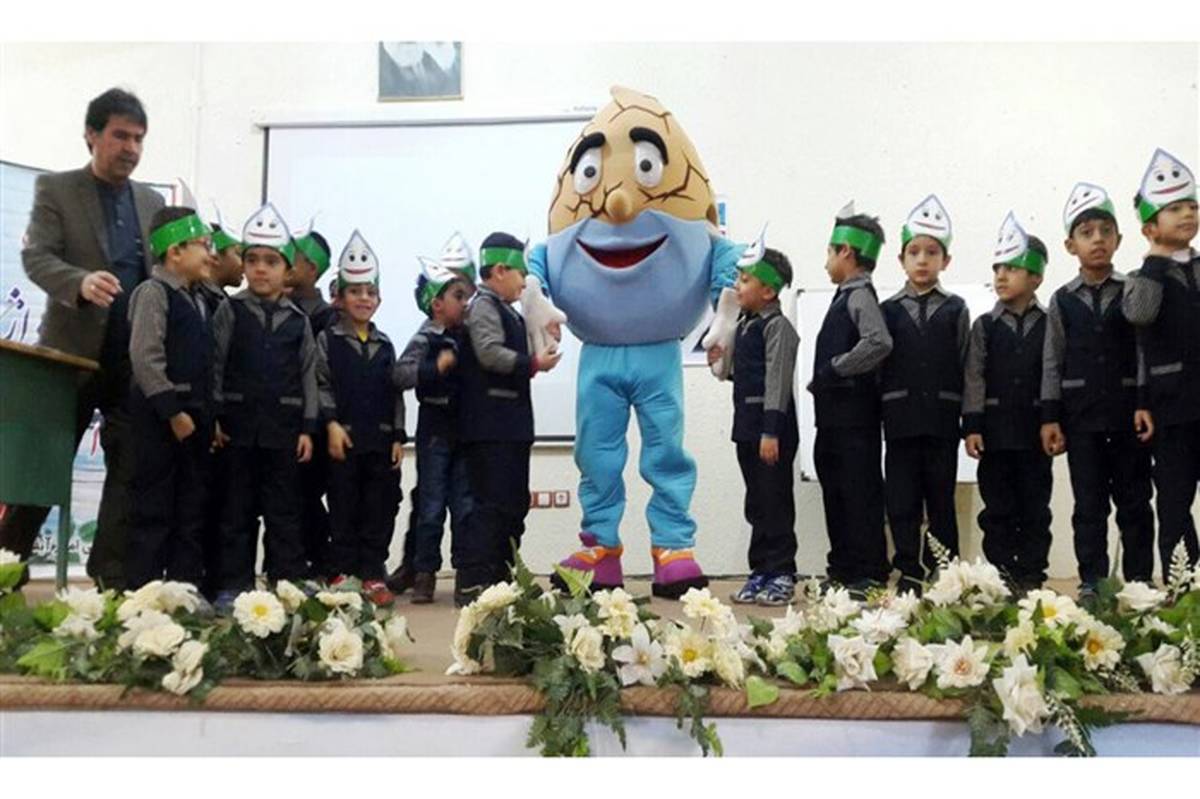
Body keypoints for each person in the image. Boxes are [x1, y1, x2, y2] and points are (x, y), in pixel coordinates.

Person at [0, 88, 164, 589]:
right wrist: (80, 282)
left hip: (130, 359)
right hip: (68, 357)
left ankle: (110, 580)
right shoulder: (57, 189)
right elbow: (37, 257)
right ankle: (7, 569)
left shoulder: (151, 201)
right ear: (91, 135)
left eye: (138, 139)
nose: (131, 148)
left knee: (127, 472)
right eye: (120, 136)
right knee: (40, 468)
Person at [1041, 182, 1154, 596]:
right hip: (1081, 418)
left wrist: (1143, 401)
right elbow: (1052, 360)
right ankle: (1092, 582)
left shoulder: (1132, 291)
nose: (1098, 240)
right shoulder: (1062, 300)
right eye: (1087, 233)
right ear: (1070, 245)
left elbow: (1143, 351)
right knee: (1088, 505)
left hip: (1127, 416)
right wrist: (1050, 416)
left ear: (1119, 240)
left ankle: (1140, 582)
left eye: (1106, 231)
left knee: (1135, 502)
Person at [210, 203, 316, 608]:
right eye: (252, 260)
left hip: (283, 430)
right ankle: (234, 584)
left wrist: (308, 427)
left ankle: (286, 580)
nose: (260, 269)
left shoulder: (298, 320)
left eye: (271, 261)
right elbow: (215, 364)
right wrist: (215, 416)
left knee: (284, 511)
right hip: (237, 428)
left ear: (286, 270)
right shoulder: (230, 310)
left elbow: (308, 374)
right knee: (236, 510)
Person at [454, 232, 560, 606]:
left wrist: (543, 339)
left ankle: (502, 576)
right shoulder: (483, 307)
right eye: (520, 274)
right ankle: (476, 580)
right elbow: (488, 353)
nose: (524, 282)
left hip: (511, 426)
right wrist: (533, 363)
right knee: (490, 505)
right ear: (499, 270)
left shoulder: (509, 311)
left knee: (513, 504)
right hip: (489, 425)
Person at [880, 195, 969, 594]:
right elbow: (880, 366)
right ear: (901, 260)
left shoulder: (956, 309)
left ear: (945, 261)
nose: (922, 260)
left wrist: (968, 416)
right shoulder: (888, 310)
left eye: (931, 253)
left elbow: (966, 363)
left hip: (942, 419)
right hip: (899, 420)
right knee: (902, 501)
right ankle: (909, 570)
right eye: (914, 252)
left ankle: (944, 571)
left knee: (941, 499)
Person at [707, 231, 800, 606]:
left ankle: (782, 571)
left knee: (775, 501)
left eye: (745, 279)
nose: (737, 285)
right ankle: (760, 569)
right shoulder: (745, 324)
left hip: (770, 430)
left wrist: (771, 431)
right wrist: (722, 363)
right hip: (746, 427)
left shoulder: (778, 327)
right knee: (757, 502)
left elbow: (776, 379)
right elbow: (744, 374)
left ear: (769, 291)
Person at [125, 206, 214, 589]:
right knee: (153, 509)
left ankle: (182, 592)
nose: (210, 254)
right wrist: (172, 412)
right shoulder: (153, 293)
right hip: (160, 420)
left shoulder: (199, 299)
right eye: (203, 245)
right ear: (175, 251)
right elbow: (146, 356)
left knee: (190, 510)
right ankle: (142, 594)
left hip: (194, 420)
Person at [963, 213, 1053, 594]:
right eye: (997, 268)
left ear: (1036, 277)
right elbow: (974, 376)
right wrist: (972, 425)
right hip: (996, 433)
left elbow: (1052, 372)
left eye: (1012, 268)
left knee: (1034, 507)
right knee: (997, 508)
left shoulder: (1050, 323)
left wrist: (1052, 418)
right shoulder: (984, 325)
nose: (1001, 276)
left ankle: (1031, 576)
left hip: (1035, 432)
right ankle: (1000, 577)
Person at [808, 202, 893, 598]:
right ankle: (843, 570)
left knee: (858, 494)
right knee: (838, 494)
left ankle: (869, 572)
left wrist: (835, 369)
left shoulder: (859, 296)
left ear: (846, 252)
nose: (826, 260)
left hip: (854, 420)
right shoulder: (843, 296)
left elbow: (879, 342)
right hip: (834, 420)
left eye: (830, 251)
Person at [1122, 148, 1200, 574]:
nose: (1187, 213)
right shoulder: (1142, 278)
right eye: (1174, 208)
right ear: (1150, 227)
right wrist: (1155, 257)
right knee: (1173, 502)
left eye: (1192, 205)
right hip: (1171, 408)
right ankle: (1184, 587)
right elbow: (1139, 316)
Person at [316, 231, 404, 607]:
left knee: (378, 508)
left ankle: (372, 573)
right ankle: (343, 572)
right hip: (344, 440)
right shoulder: (328, 340)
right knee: (344, 505)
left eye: (370, 292)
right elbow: (320, 384)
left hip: (380, 441)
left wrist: (398, 435)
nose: (364, 299)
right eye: (355, 291)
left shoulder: (385, 344)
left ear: (379, 299)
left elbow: (395, 393)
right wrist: (331, 423)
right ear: (340, 296)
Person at [388, 257, 473, 604]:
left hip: (464, 431)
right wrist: (434, 367)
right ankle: (424, 572)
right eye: (458, 297)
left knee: (464, 506)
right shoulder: (426, 336)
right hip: (435, 431)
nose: (465, 303)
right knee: (431, 505)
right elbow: (399, 375)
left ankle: (465, 572)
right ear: (437, 305)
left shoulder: (469, 336)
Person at [286, 226, 336, 579]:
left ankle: (319, 561)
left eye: (295, 258)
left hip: (313, 421)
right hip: (277, 417)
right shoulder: (273, 306)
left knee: (306, 494)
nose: (286, 262)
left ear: (312, 268)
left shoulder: (326, 318)